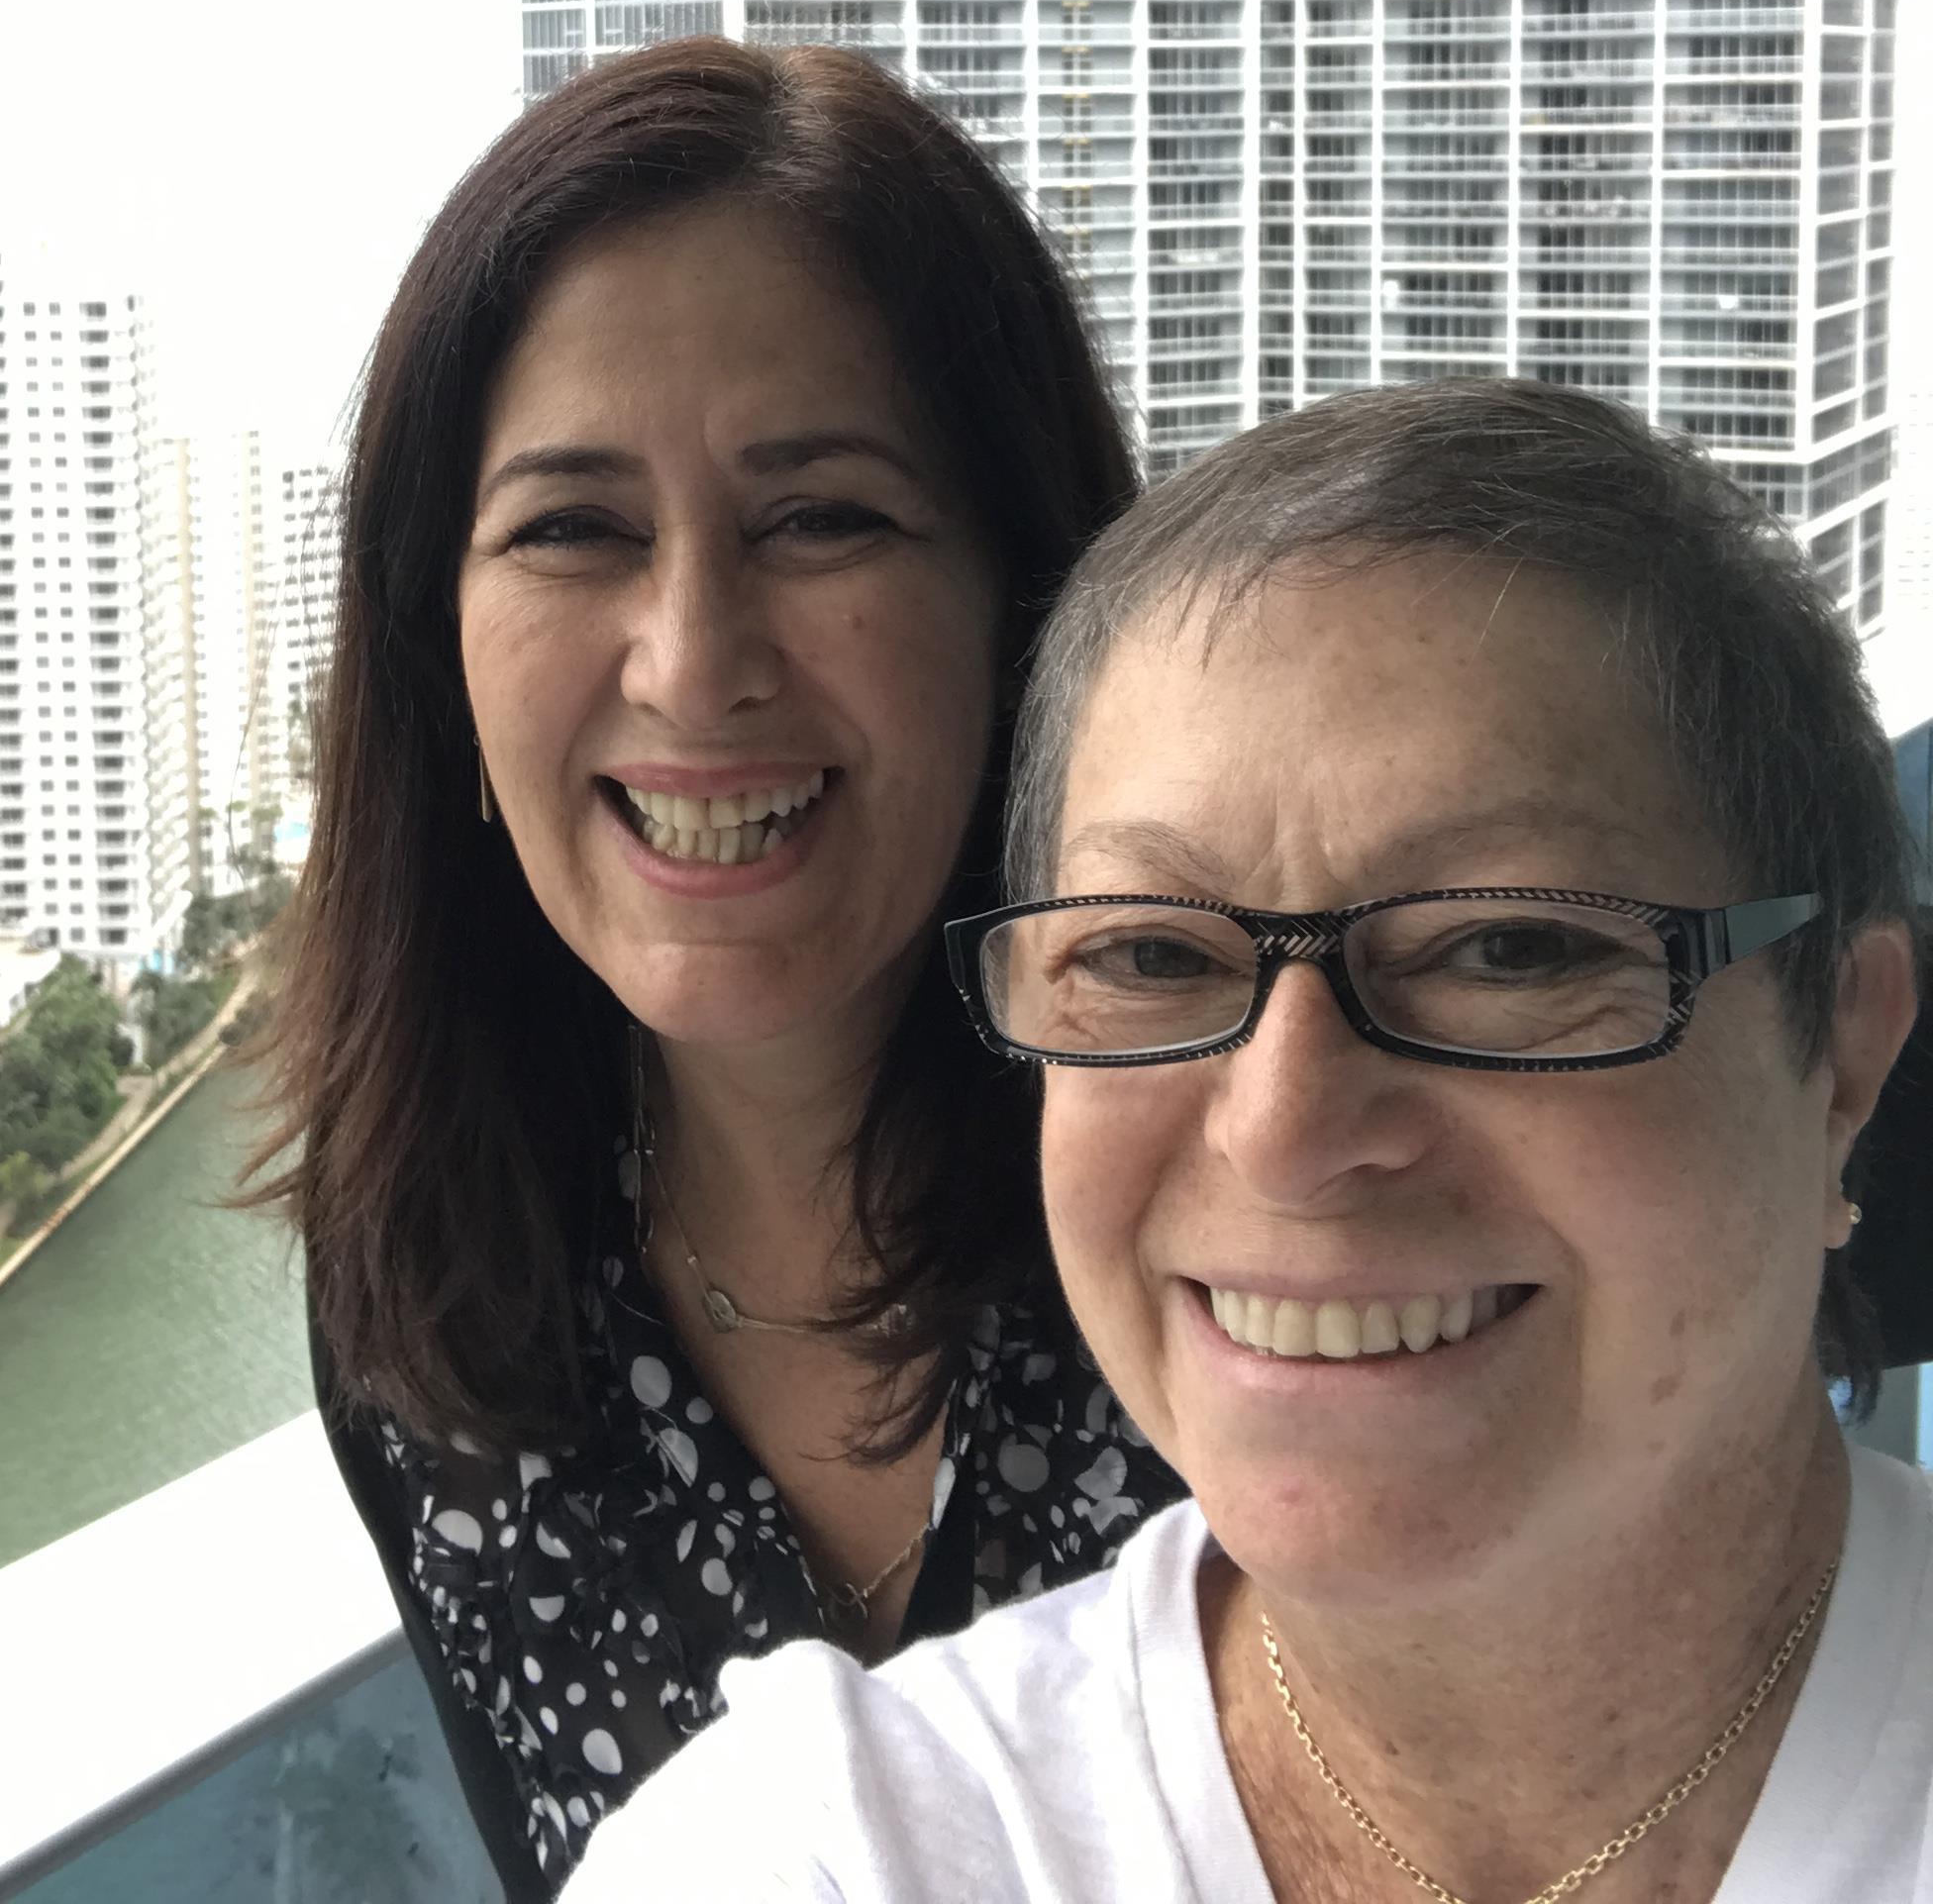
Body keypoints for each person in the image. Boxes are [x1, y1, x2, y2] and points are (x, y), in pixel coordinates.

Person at [564, 380, 1931, 1904]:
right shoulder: (836, 1848)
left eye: (1510, 950)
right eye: (1151, 957)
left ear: (1843, 1051)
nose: (1283, 1131)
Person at [249, 40, 1183, 1897]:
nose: (690, 661)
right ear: (439, 650)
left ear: (1027, 606)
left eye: (820, 517)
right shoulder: (441, 1298)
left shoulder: (1242, 1189)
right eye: (574, 530)